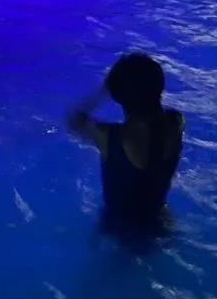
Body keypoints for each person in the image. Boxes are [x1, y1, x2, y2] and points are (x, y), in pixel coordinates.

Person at [68, 53, 184, 229]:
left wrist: (103, 90)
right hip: (160, 224)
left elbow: (74, 120)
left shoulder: (110, 137)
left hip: (118, 232)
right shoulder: (175, 123)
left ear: (116, 94)